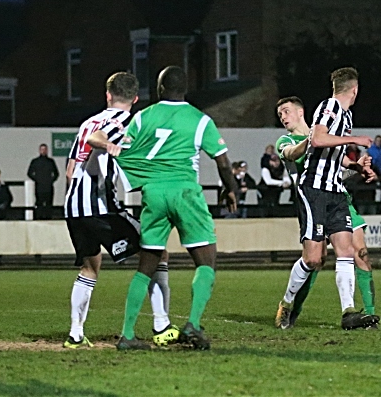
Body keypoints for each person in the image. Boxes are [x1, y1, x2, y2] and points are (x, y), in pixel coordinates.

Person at [110, 66, 238, 350]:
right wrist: (231, 189)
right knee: (206, 261)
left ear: (159, 89)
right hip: (185, 192)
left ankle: (128, 335)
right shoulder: (200, 120)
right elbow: (223, 162)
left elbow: (124, 152)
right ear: (186, 88)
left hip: (154, 193)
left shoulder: (143, 116)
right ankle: (192, 322)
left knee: (146, 267)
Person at [64, 71, 175, 350]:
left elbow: (69, 170)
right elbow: (97, 139)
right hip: (100, 205)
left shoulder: (88, 121)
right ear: (135, 98)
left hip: (74, 206)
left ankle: (76, 334)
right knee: (157, 252)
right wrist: (109, 145)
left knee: (90, 266)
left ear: (108, 95)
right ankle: (161, 326)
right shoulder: (126, 121)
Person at [274, 94, 379, 329]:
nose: (283, 117)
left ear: (301, 112)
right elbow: (292, 153)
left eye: (286, 111)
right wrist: (310, 141)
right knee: (315, 258)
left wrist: (356, 167)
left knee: (355, 250)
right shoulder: (286, 140)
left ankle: (354, 313)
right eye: (280, 114)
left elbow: (338, 165)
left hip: (337, 196)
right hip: (312, 196)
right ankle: (289, 305)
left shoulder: (323, 133)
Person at [27, 144, 59, 219]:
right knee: (39, 203)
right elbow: (29, 173)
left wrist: (50, 181)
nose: (43, 151)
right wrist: (37, 180)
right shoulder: (35, 161)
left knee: (49, 203)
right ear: (39, 150)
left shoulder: (50, 162)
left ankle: (48, 217)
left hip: (49, 186)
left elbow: (56, 173)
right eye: (42, 149)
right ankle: (39, 217)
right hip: (39, 186)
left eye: (45, 149)